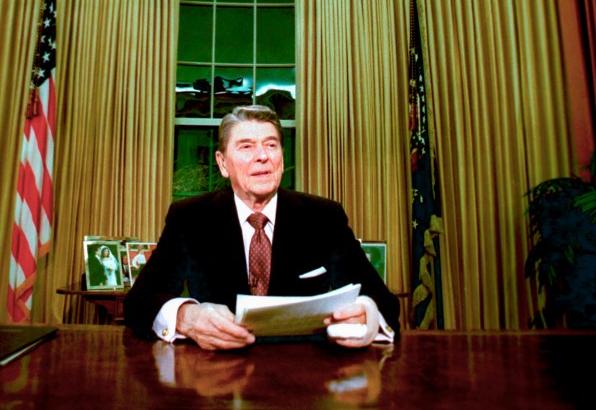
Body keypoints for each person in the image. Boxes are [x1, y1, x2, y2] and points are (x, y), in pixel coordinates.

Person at [126, 105, 400, 351]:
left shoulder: (323, 217)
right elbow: (139, 301)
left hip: (304, 377)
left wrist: (366, 312)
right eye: (246, 147)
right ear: (223, 164)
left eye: (271, 145)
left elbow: (384, 302)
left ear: (282, 156)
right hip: (216, 377)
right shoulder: (190, 217)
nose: (262, 156)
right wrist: (186, 317)